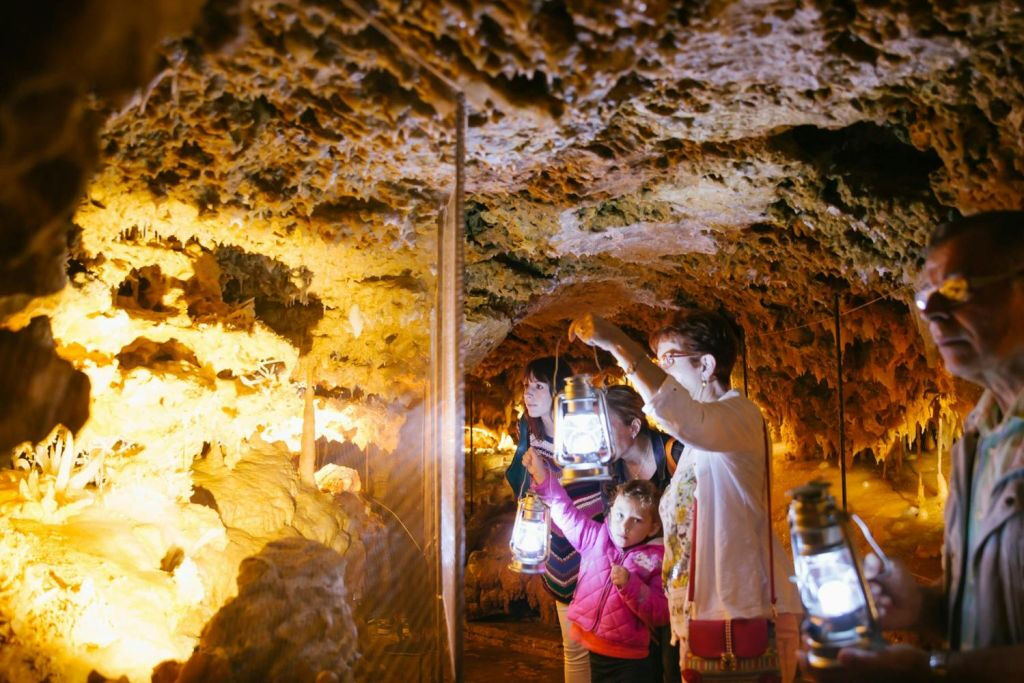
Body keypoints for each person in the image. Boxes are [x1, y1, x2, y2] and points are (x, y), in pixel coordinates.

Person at [819, 211, 1024, 682]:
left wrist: (935, 672)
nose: (931, 312)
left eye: (955, 290)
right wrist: (924, 605)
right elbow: (983, 607)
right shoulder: (981, 437)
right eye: (926, 296)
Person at [568, 308, 803, 681]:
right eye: (658, 362)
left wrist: (618, 343)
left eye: (669, 360)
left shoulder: (739, 416)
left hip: (739, 611)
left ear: (706, 365)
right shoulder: (700, 441)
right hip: (708, 615)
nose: (663, 372)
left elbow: (683, 416)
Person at [528, 454, 670, 681]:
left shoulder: (655, 561)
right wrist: (542, 476)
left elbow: (661, 612)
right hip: (595, 650)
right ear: (611, 511)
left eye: (637, 520)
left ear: (653, 528)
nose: (625, 526)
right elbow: (565, 512)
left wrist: (630, 585)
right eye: (621, 515)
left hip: (632, 661)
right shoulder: (595, 537)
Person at [505, 356, 596, 682]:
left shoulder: (584, 432)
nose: (528, 394)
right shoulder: (529, 434)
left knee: (606, 647)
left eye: (538, 386)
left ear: (558, 391)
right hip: (558, 550)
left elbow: (594, 492)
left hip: (594, 549)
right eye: (527, 387)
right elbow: (525, 491)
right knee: (573, 647)